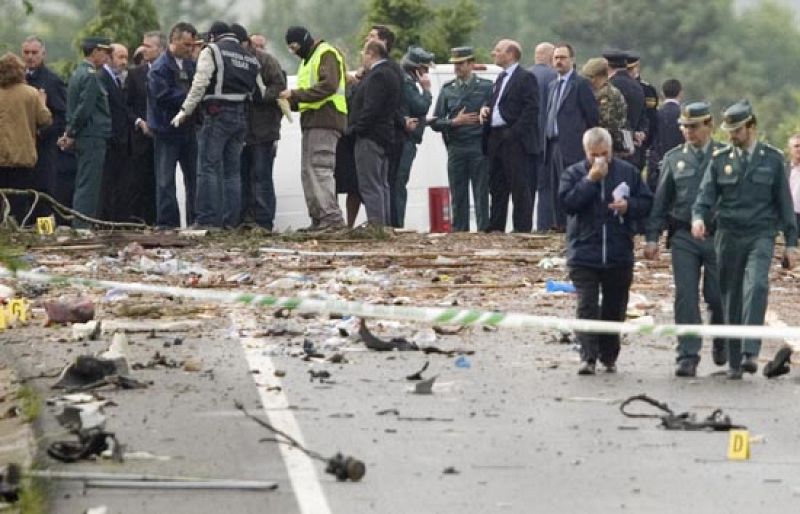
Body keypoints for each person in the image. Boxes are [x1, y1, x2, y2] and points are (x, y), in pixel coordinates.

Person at [692, 100, 798, 379]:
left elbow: (785, 204)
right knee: (731, 294)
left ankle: (750, 349)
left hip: (761, 233)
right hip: (729, 234)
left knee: (757, 284)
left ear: (751, 127)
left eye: (737, 130)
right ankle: (735, 361)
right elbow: (705, 196)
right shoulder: (720, 159)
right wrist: (698, 218)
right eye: (729, 131)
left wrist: (791, 243)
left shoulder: (773, 160)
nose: (732, 136)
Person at [559, 127, 653, 375]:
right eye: (594, 154)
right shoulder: (573, 173)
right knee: (587, 305)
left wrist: (628, 206)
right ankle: (587, 356)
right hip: (584, 251)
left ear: (611, 150)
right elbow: (568, 204)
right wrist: (590, 180)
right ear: (585, 152)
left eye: (604, 154)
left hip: (618, 251)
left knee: (615, 306)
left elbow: (646, 202)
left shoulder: (628, 172)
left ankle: (609, 354)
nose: (600, 159)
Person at [644, 102, 727, 377]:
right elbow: (661, 201)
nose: (688, 132)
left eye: (694, 127)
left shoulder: (725, 157)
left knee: (717, 296)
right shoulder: (674, 158)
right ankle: (687, 355)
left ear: (709, 126)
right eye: (684, 127)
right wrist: (652, 237)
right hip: (684, 236)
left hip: (718, 237)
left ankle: (722, 338)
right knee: (686, 296)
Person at [173, 21, 261, 228]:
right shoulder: (250, 57)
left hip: (217, 115)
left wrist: (185, 110)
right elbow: (260, 91)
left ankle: (207, 220)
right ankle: (230, 222)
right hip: (241, 116)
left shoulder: (212, 50)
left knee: (208, 168)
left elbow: (200, 84)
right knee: (233, 172)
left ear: (213, 36)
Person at [280, 26, 346, 231]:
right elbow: (309, 95)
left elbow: (329, 86)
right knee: (308, 172)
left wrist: (295, 95)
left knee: (319, 168)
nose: (294, 52)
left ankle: (332, 219)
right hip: (313, 120)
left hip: (326, 118)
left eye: (295, 47)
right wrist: (290, 102)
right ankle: (319, 219)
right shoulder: (307, 61)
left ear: (305, 40)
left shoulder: (326, 53)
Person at [429, 46, 492, 232]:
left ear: (471, 64)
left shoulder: (486, 87)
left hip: (478, 146)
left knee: (481, 192)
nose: (457, 67)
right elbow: (435, 121)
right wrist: (454, 122)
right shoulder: (448, 89)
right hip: (457, 147)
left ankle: (483, 230)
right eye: (455, 64)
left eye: (461, 63)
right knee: (458, 193)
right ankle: (460, 231)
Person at [479, 39, 539, 233]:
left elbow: (531, 109)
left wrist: (514, 133)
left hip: (514, 139)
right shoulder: (500, 78)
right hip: (495, 137)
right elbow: (496, 103)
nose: (494, 54)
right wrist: (485, 108)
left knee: (519, 185)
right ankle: (496, 225)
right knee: (497, 184)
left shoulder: (525, 78)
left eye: (498, 51)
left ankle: (521, 228)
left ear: (511, 54)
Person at [540, 43, 598, 232]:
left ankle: (573, 223)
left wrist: (588, 143)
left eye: (563, 57)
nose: (559, 61)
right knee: (555, 185)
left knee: (571, 184)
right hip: (552, 143)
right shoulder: (552, 85)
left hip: (572, 144)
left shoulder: (580, 84)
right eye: (556, 58)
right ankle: (559, 223)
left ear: (572, 60)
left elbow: (592, 116)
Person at [148, 22, 198, 228]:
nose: (190, 49)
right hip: (166, 130)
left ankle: (195, 220)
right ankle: (168, 223)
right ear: (174, 41)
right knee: (165, 180)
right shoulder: (160, 67)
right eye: (186, 44)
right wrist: (190, 99)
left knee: (194, 177)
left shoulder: (190, 65)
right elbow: (163, 95)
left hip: (189, 130)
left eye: (192, 45)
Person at [346, 40, 401, 226]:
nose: (362, 57)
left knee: (370, 185)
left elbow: (371, 108)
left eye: (363, 53)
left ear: (371, 54)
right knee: (382, 184)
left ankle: (376, 225)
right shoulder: (391, 73)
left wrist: (356, 129)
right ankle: (383, 224)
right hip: (384, 136)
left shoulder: (378, 75)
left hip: (370, 136)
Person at [59, 36, 112, 228]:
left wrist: (70, 132)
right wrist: (71, 133)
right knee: (89, 185)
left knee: (86, 182)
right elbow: (84, 109)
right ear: (95, 51)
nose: (107, 57)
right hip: (91, 136)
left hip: (87, 135)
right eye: (105, 52)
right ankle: (82, 227)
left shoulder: (79, 72)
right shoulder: (90, 75)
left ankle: (82, 224)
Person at [238, 24, 286, 231]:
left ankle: (264, 221)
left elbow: (280, 87)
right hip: (243, 130)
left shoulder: (267, 61)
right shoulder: (237, 61)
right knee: (242, 177)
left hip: (264, 130)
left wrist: (260, 96)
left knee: (261, 176)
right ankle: (245, 218)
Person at [0, 52, 52, 223]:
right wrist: (43, 102)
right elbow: (45, 119)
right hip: (22, 157)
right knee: (19, 201)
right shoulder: (30, 93)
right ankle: (17, 230)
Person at [21, 36, 66, 217]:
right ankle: (20, 231)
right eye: (26, 52)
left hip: (43, 150)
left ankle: (44, 232)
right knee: (20, 197)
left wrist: (42, 132)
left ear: (43, 54)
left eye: (34, 52)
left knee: (43, 196)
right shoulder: (15, 79)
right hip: (21, 151)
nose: (30, 57)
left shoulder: (52, 80)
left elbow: (62, 115)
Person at [125, 31, 165, 225]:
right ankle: (137, 221)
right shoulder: (135, 74)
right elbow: (126, 105)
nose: (143, 49)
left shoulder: (169, 71)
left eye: (148, 46)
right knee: (138, 181)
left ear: (161, 49)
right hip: (141, 138)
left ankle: (160, 220)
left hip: (164, 136)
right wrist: (139, 122)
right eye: (143, 45)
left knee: (161, 180)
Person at [392, 46, 433, 228]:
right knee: (399, 182)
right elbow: (420, 106)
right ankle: (397, 224)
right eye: (425, 68)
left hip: (403, 138)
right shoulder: (407, 83)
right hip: (405, 140)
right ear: (416, 68)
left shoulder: (403, 79)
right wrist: (427, 90)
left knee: (397, 182)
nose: (426, 72)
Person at [98, 43, 131, 222]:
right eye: (120, 57)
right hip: (110, 140)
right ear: (109, 58)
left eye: (126, 57)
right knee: (107, 183)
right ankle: (105, 219)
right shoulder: (102, 78)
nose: (124, 62)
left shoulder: (118, 80)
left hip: (120, 141)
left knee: (118, 184)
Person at [604, 49, 646, 169]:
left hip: (616, 147)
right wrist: (640, 133)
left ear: (607, 66)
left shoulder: (610, 86)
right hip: (634, 146)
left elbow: (618, 120)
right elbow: (643, 116)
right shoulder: (637, 86)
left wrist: (629, 136)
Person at [528, 42, 556, 215]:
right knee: (546, 188)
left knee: (528, 187)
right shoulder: (554, 76)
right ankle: (544, 223)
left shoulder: (524, 75)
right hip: (547, 143)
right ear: (551, 57)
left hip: (526, 142)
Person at [580, 57, 627, 155]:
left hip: (607, 145)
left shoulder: (607, 94)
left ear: (598, 76)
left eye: (591, 77)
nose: (589, 81)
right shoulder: (599, 92)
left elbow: (606, 122)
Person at [647, 79, 683, 192]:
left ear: (662, 94)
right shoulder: (683, 115)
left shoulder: (656, 114)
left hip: (657, 165)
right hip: (679, 165)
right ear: (680, 93)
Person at [786, 133, 800, 229]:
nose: (799, 149)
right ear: (790, 149)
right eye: (796, 146)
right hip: (790, 216)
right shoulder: (784, 170)